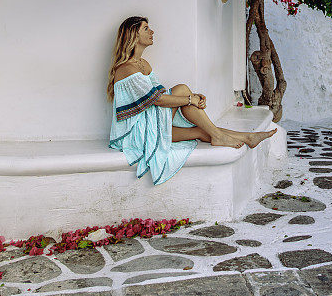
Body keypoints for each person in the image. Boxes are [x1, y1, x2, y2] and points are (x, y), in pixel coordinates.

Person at [107, 16, 277, 185]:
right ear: (133, 35)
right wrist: (189, 99)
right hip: (135, 135)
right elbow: (157, 100)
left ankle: (248, 137)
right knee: (182, 90)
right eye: (146, 28)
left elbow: (158, 95)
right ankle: (220, 136)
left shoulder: (144, 64)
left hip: (149, 126)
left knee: (201, 131)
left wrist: (192, 97)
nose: (152, 31)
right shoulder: (127, 68)